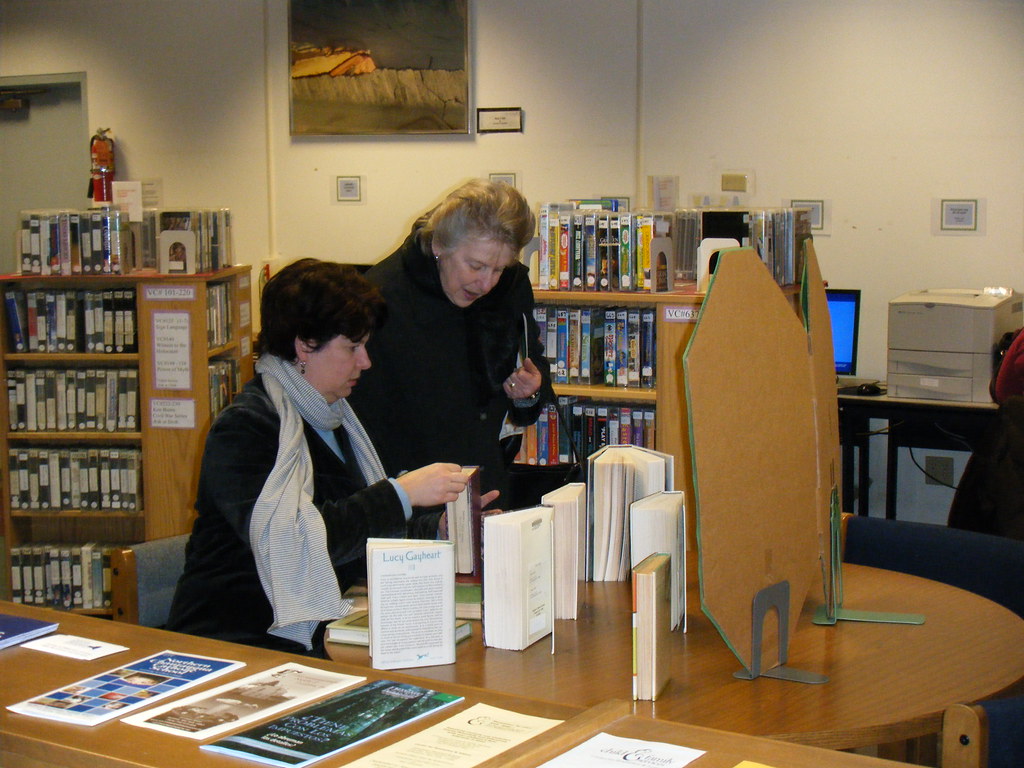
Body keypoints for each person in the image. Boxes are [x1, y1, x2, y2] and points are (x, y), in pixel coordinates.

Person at [166, 258, 481, 656]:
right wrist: (400, 493)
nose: (365, 362)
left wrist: (437, 528)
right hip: (240, 638)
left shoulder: (338, 417)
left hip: (326, 628)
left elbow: (359, 535)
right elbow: (305, 539)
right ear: (304, 345)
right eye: (353, 347)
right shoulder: (246, 427)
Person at [348, 179, 554, 506]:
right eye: (476, 266)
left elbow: (532, 367)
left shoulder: (509, 288)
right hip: (414, 490)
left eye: (499, 269)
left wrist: (530, 393)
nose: (486, 283)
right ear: (439, 245)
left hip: (487, 481)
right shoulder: (382, 298)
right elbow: (363, 420)